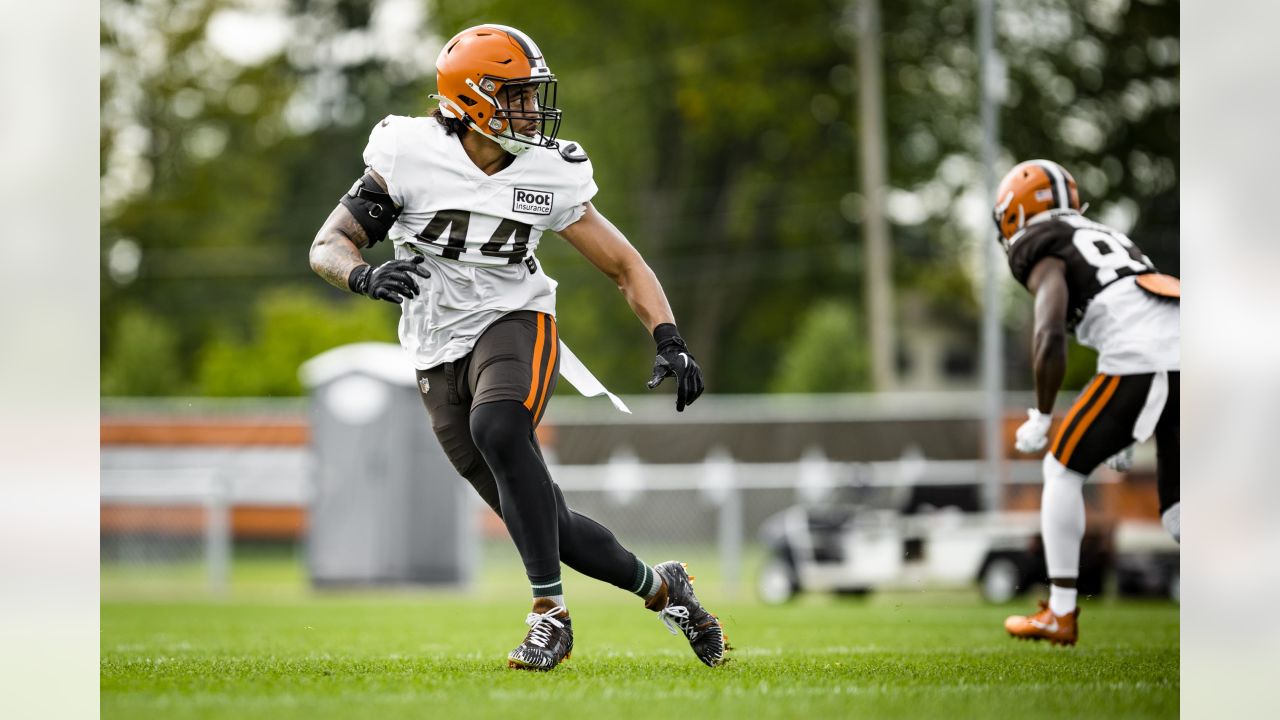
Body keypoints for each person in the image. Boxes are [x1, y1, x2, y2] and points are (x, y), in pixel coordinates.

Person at [308, 24, 726, 671]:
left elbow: (623, 263)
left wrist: (668, 337)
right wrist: (362, 274)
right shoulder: (409, 152)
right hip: (434, 344)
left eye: (533, 95)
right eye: (517, 96)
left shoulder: (547, 170)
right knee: (546, 524)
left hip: (516, 316)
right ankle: (667, 589)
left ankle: (548, 617)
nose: (532, 110)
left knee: (499, 426)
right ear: (471, 99)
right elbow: (328, 244)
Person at [994, 160, 1180, 646]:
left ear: (1014, 216)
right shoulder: (1104, 234)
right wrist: (1124, 426)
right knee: (1181, 514)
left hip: (1146, 357)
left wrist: (1042, 412)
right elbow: (1138, 310)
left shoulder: (1041, 246)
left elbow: (1049, 334)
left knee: (1060, 468)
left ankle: (1059, 612)